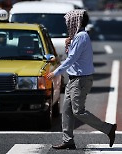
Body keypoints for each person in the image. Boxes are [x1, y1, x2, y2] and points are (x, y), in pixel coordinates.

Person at [47, 9, 117, 150]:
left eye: (69, 21)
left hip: (80, 80)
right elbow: (72, 56)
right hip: (74, 79)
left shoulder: (81, 37)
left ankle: (108, 129)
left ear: (75, 22)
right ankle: (68, 140)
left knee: (78, 111)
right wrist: (68, 45)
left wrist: (56, 72)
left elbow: (72, 59)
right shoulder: (77, 37)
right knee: (66, 110)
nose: (67, 24)